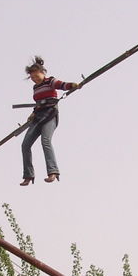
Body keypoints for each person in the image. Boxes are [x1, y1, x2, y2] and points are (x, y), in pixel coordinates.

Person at [19, 56, 79, 185]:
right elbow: (39, 103)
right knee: (25, 145)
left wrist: (72, 85)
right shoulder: (35, 88)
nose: (35, 79)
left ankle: (53, 172)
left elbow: (61, 85)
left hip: (50, 114)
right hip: (38, 116)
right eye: (32, 78)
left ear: (42, 72)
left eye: (36, 76)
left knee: (45, 140)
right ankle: (28, 175)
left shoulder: (50, 81)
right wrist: (33, 113)